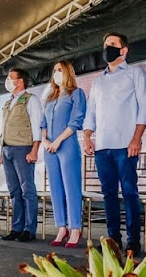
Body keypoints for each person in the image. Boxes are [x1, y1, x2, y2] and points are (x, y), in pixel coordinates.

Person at [83, 32, 146, 256]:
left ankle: (133, 241)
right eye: (105, 45)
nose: (107, 48)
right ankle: (113, 240)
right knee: (109, 194)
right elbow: (91, 112)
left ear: (124, 50)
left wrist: (136, 138)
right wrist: (87, 136)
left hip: (125, 145)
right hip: (102, 146)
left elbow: (145, 110)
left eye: (112, 44)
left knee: (130, 193)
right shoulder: (98, 81)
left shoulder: (136, 74)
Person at [42, 61, 87, 248]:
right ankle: (61, 227)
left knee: (71, 188)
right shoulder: (50, 98)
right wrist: (45, 141)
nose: (56, 73)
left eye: (59, 70)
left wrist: (58, 140)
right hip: (49, 148)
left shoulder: (76, 94)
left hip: (66, 144)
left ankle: (75, 227)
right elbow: (42, 123)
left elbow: (76, 120)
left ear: (67, 72)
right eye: (54, 71)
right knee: (55, 189)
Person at [0, 68, 43, 243]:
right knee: (14, 191)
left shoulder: (31, 100)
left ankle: (29, 229)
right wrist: (1, 151)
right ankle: (17, 227)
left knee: (27, 190)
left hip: (23, 148)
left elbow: (36, 125)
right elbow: (3, 128)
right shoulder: (8, 102)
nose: (8, 81)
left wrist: (34, 150)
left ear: (21, 81)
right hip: (7, 149)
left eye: (11, 78)